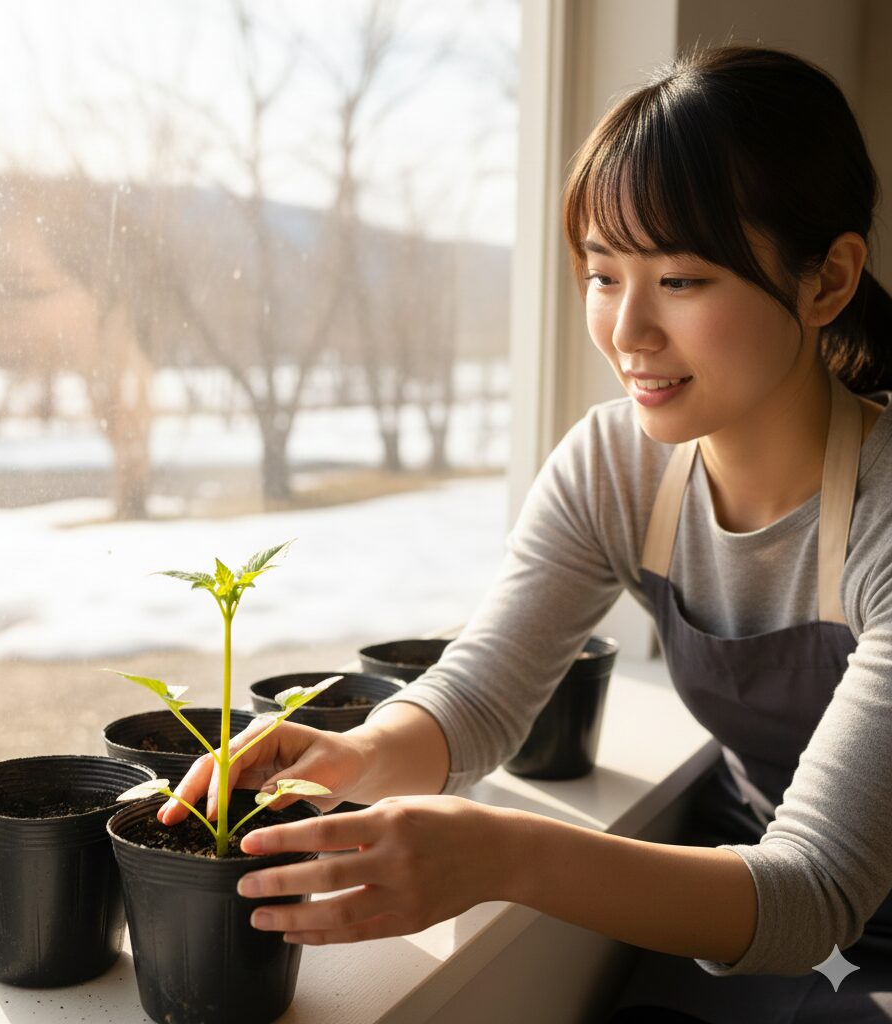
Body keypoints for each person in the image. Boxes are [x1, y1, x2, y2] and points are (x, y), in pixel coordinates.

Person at [161, 45, 892, 1023]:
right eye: (600, 274)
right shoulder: (616, 463)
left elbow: (816, 889)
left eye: (678, 278)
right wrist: (357, 752)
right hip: (750, 895)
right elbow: (478, 697)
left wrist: (500, 852)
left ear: (827, 280)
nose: (626, 331)